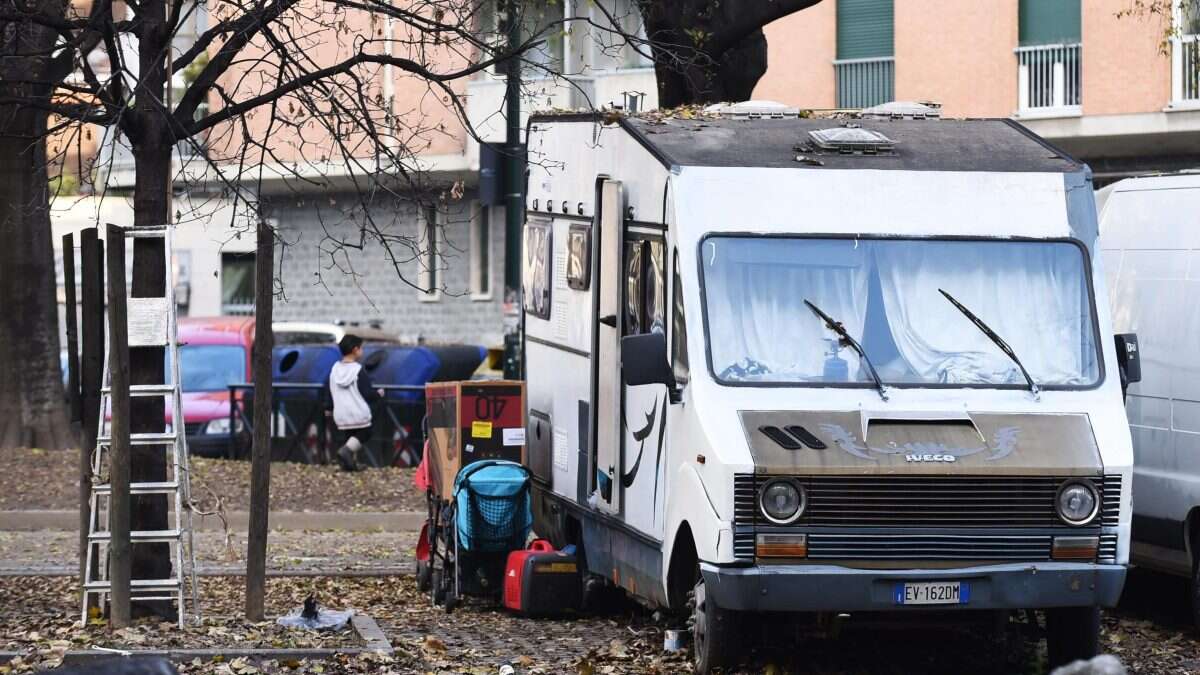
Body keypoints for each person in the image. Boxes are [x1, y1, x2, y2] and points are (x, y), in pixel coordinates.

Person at [327, 335, 381, 471]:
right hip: (357, 411)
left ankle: (349, 464)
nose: (362, 351)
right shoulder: (357, 370)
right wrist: (378, 394)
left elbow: (328, 389)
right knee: (366, 432)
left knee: (350, 435)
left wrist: (328, 407)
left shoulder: (335, 369)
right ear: (355, 349)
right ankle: (345, 452)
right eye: (361, 348)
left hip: (340, 412)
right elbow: (367, 393)